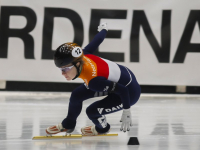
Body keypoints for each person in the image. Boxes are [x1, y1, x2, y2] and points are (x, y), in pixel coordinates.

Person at [46, 23, 141, 136]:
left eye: (65, 69)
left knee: (92, 111)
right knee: (76, 95)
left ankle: (103, 129)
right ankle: (68, 124)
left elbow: (123, 90)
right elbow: (98, 39)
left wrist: (127, 110)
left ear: (77, 64)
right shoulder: (83, 54)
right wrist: (104, 29)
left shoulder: (94, 82)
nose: (62, 73)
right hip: (119, 76)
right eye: (60, 69)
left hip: (130, 92)